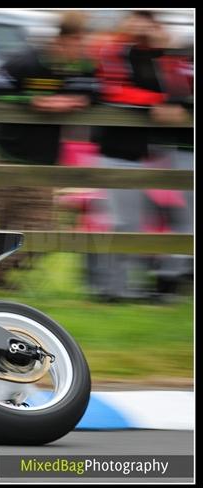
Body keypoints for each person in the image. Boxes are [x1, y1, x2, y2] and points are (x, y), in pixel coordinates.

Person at [0, 12, 98, 286]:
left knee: (42, 230)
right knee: (6, 226)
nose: (80, 49)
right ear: (62, 40)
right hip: (6, 155)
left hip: (43, 161)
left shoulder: (83, 66)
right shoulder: (25, 62)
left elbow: (93, 93)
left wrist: (73, 102)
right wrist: (31, 100)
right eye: (77, 42)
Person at [88, 10, 193, 300]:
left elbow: (180, 89)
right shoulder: (114, 49)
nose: (143, 25)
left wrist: (173, 100)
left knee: (159, 220)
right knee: (122, 222)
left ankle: (155, 283)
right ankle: (110, 289)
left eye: (149, 19)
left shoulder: (165, 56)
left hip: (153, 154)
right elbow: (113, 90)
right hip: (118, 150)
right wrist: (159, 102)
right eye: (137, 17)